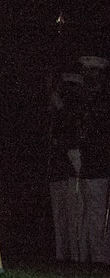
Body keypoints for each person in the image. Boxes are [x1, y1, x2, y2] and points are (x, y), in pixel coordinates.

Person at [76, 55, 110, 264]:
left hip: (100, 162)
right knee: (93, 214)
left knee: (98, 214)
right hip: (93, 163)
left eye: (94, 72)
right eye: (87, 72)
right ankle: (96, 258)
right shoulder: (78, 99)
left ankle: (101, 258)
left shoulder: (103, 99)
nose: (91, 76)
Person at [47, 71, 84, 262]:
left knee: (74, 215)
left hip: (72, 166)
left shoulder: (73, 111)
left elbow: (71, 137)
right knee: (61, 217)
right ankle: (63, 256)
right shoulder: (57, 111)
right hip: (59, 170)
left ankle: (77, 257)